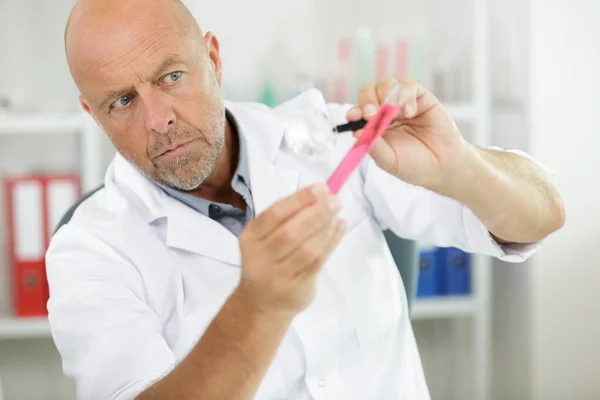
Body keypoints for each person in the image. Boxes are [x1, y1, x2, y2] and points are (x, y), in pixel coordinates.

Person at [47, 0, 565, 399]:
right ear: (94, 115)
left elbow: (543, 214)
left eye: (172, 77)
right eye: (122, 101)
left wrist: (461, 167)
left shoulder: (329, 134)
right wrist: (260, 306)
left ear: (213, 58)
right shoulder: (88, 251)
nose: (158, 118)